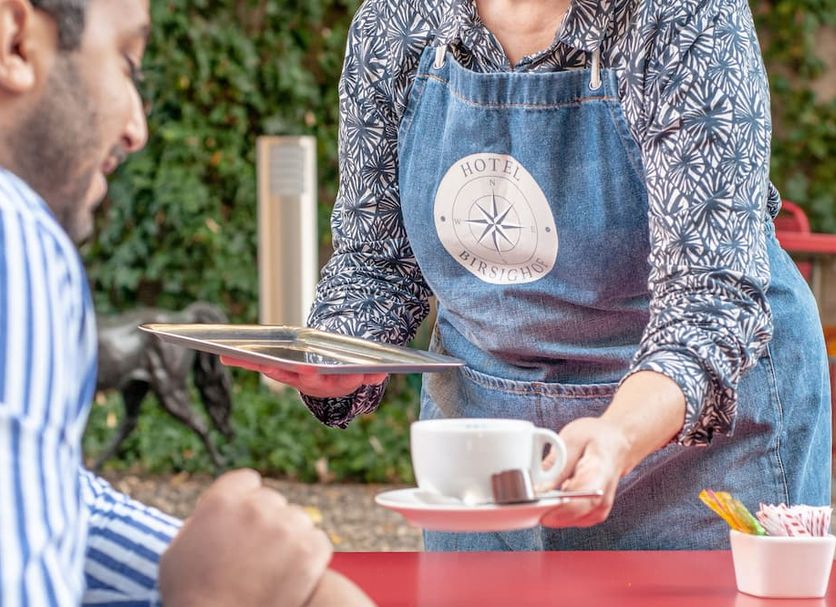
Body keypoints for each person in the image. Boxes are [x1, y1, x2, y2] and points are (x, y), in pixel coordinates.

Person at [224, 0, 832, 551]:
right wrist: (339, 353)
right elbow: (375, 260)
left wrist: (618, 436)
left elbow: (710, 298)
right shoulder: (395, 21)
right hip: (485, 445)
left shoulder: (680, 15)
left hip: (693, 451)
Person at [0, 0, 373, 604]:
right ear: (15, 40)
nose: (137, 129)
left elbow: (46, 499)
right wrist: (213, 596)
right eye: (127, 64)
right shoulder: (14, 231)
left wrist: (254, 573)